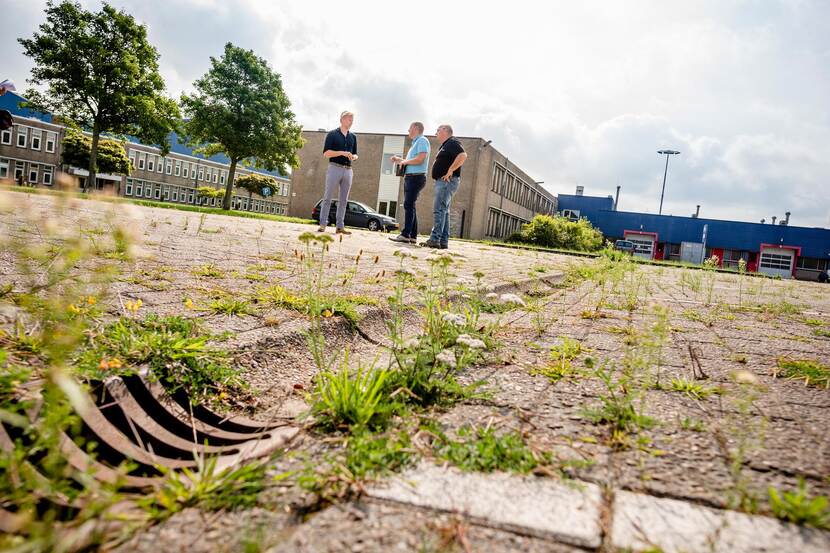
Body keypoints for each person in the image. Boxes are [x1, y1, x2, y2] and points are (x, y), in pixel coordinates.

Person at [421, 124, 467, 249]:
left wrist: (451, 169)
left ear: (446, 131)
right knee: (444, 211)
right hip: (443, 182)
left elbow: (463, 155)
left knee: (439, 210)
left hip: (446, 181)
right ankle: (442, 241)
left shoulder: (452, 142)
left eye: (438, 130)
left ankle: (435, 239)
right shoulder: (445, 145)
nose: (436, 132)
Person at [389, 121, 430, 243]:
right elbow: (412, 161)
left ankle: (405, 234)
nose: (408, 131)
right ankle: (412, 236)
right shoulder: (416, 142)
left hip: (415, 177)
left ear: (416, 128)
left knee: (408, 204)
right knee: (411, 205)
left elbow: (420, 159)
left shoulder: (422, 140)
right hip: (412, 176)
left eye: (410, 128)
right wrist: (399, 160)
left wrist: (405, 162)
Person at [319, 111, 358, 234]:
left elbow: (356, 153)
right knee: (328, 197)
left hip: (348, 170)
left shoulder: (353, 137)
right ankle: (322, 225)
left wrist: (354, 157)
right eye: (349, 119)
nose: (351, 122)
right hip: (334, 167)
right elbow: (326, 153)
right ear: (342, 120)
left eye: (352, 120)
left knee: (344, 200)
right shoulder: (332, 134)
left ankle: (340, 227)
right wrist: (341, 152)